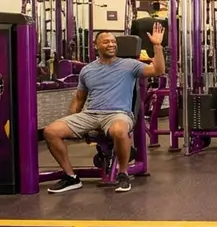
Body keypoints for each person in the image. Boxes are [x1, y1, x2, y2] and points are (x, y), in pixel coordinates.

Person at [42, 24, 166, 194]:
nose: (111, 44)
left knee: (119, 130)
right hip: (90, 114)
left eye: (113, 42)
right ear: (96, 45)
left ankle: (123, 174)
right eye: (106, 42)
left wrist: (157, 45)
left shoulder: (130, 65)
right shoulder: (87, 70)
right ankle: (71, 177)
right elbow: (79, 98)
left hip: (118, 114)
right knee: (51, 131)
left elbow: (158, 70)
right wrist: (72, 123)